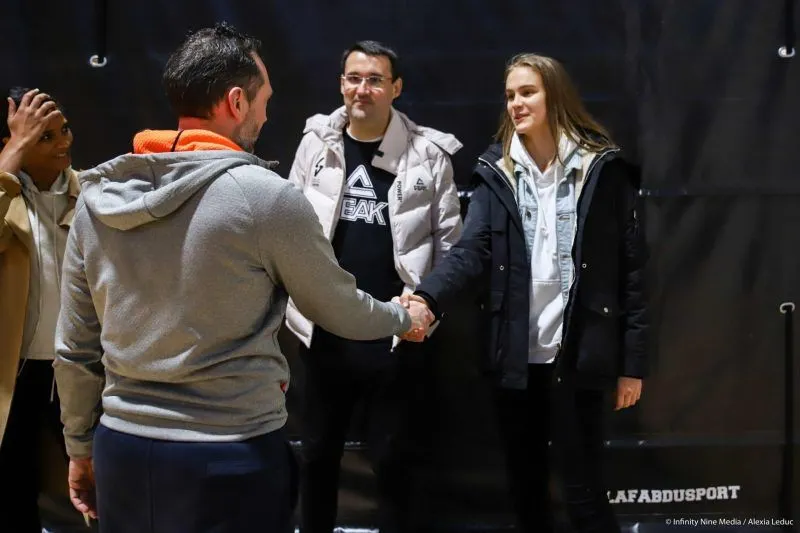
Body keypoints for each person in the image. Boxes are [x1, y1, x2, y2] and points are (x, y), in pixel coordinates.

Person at [53, 23, 432, 533]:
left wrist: (79, 446)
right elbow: (335, 305)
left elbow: (75, 347)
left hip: (121, 445)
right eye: (264, 100)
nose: (268, 112)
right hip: (227, 452)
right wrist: (399, 316)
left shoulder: (98, 198)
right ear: (236, 101)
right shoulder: (264, 196)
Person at [404, 53, 649, 533]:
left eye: (528, 92)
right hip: (514, 358)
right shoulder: (496, 170)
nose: (516, 102)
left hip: (579, 356)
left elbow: (632, 275)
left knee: (585, 494)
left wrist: (631, 365)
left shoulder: (603, 169)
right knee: (526, 490)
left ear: (554, 95)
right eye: (511, 94)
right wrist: (426, 297)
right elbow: (469, 252)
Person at [285, 40, 462, 533]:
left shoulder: (430, 154)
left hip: (397, 334)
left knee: (396, 464)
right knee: (317, 458)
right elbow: (292, 231)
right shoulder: (315, 143)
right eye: (353, 78)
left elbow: (452, 248)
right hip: (324, 331)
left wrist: (427, 310)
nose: (362, 89)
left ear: (396, 88)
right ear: (341, 82)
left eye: (375, 79)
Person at [0, 87, 90, 532]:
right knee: (13, 489)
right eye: (44, 136)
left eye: (65, 130)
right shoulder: (5, 197)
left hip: (78, 369)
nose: (63, 143)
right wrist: (11, 158)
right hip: (11, 375)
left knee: (99, 488)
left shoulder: (94, 192)